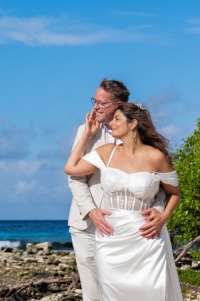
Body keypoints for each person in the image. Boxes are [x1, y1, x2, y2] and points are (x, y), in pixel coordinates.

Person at [65, 102, 182, 300]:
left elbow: (175, 193)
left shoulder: (156, 157)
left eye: (117, 119)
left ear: (133, 124)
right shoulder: (106, 152)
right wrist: (86, 134)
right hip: (110, 238)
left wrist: (163, 217)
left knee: (151, 293)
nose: (112, 123)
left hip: (146, 237)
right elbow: (71, 167)